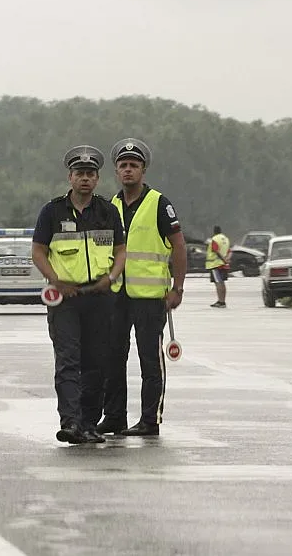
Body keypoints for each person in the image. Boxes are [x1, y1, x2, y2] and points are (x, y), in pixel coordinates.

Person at [32, 145, 127, 445]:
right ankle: (70, 422)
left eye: (90, 174)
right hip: (66, 299)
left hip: (100, 296)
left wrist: (111, 278)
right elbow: (38, 251)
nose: (84, 179)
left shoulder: (107, 211)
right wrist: (55, 280)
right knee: (68, 360)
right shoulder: (52, 211)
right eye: (79, 173)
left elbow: (121, 250)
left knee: (98, 362)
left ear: (97, 179)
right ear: (70, 177)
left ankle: (89, 423)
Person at [97, 138, 187, 438]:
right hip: (116, 296)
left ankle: (150, 420)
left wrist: (178, 288)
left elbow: (178, 246)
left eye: (133, 166)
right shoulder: (110, 205)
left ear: (143, 170)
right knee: (113, 356)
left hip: (150, 297)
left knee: (150, 359)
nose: (127, 171)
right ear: (116, 172)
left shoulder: (159, 203)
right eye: (122, 166)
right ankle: (114, 417)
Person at [206, 224, 231, 308]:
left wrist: (223, 259)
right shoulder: (226, 239)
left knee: (218, 283)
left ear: (214, 231)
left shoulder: (215, 239)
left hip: (215, 265)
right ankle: (222, 301)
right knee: (222, 283)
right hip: (223, 265)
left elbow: (215, 250)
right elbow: (230, 251)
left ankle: (221, 302)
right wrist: (226, 260)